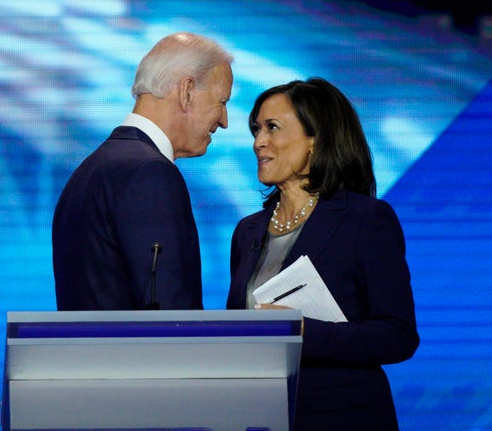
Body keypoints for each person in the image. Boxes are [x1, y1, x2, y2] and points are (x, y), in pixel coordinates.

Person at [227, 77, 419, 430]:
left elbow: (398, 335)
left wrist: (300, 330)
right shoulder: (247, 231)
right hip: (262, 417)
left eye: (272, 128)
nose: (258, 142)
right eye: (256, 129)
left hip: (342, 416)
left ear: (315, 140)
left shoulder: (365, 220)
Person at [53, 32, 234, 310]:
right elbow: (168, 315)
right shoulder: (149, 174)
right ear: (187, 92)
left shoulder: (90, 170)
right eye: (222, 102)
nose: (224, 121)